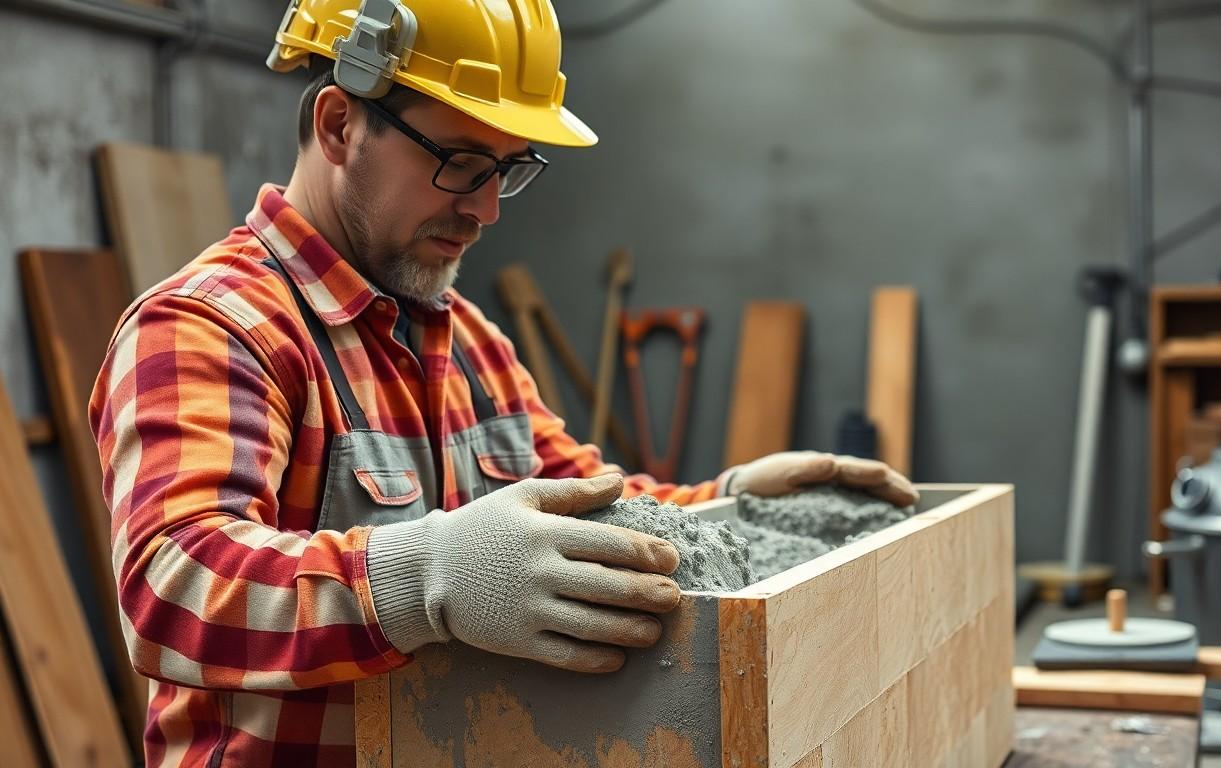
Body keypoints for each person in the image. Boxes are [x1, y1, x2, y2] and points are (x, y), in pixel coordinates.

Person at [88, 1, 918, 765]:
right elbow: (176, 585)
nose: (486, 210)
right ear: (339, 124)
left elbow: (588, 506)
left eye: (509, 170)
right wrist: (430, 578)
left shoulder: (468, 339)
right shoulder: (210, 327)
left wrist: (730, 503)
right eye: (460, 164)